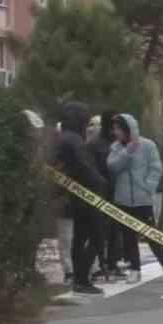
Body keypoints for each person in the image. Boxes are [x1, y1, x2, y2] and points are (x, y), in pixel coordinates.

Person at [106, 113, 163, 282]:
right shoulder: (116, 147)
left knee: (151, 234)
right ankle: (135, 269)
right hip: (123, 198)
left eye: (118, 129)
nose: (115, 132)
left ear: (128, 130)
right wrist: (126, 153)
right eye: (114, 129)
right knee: (128, 236)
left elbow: (156, 168)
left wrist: (148, 187)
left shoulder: (148, 145)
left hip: (143, 199)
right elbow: (112, 166)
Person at [54, 102, 110, 295]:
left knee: (79, 239)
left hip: (74, 197)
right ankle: (82, 279)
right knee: (96, 237)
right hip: (88, 197)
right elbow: (86, 168)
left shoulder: (63, 139)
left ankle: (78, 279)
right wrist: (102, 184)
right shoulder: (75, 141)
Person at [85, 113, 120, 281]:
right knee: (98, 233)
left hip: (116, 193)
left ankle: (112, 264)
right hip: (100, 194)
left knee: (115, 232)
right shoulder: (95, 145)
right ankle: (95, 267)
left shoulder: (118, 143)